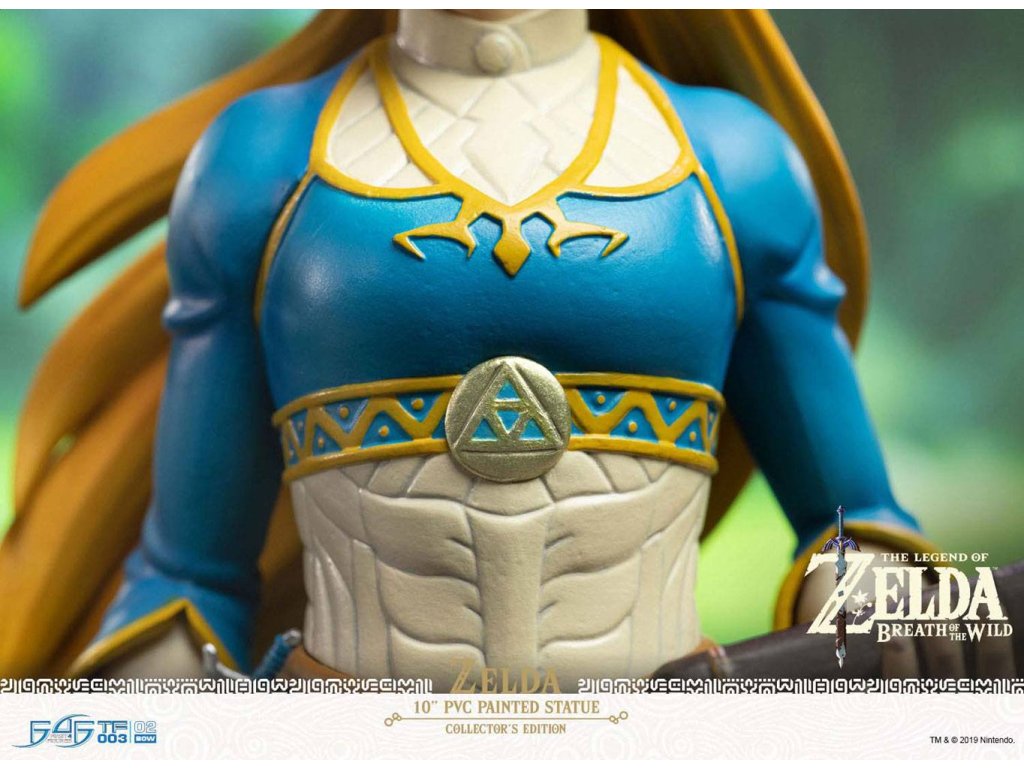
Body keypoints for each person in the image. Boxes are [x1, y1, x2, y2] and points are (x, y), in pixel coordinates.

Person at [0, 9, 933, 688]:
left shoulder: (732, 161)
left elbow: (851, 523)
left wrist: (890, 615)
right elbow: (189, 574)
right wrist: (145, 705)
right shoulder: (260, 159)